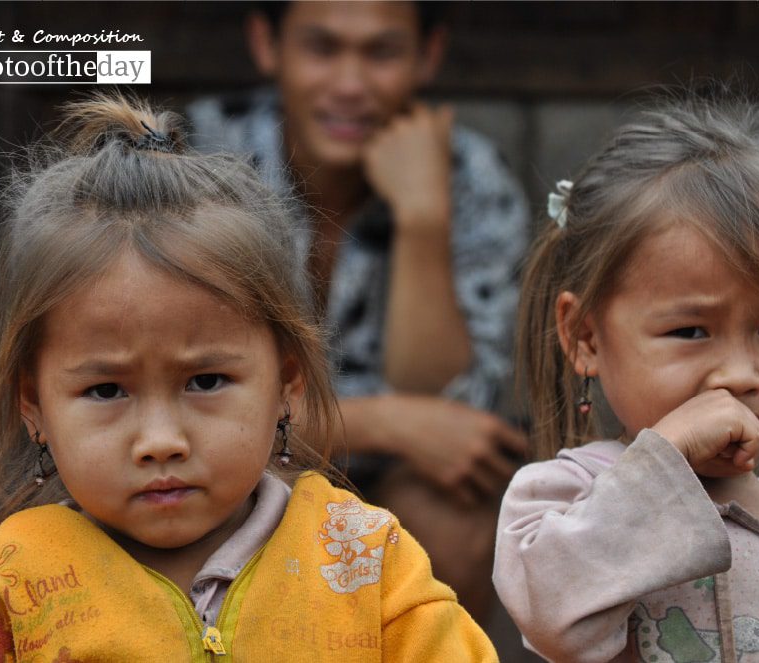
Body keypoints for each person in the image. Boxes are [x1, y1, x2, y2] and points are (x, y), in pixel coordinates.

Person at [0, 94, 497, 662]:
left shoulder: (363, 559)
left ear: (287, 384)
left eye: (206, 382)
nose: (162, 441)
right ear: (34, 407)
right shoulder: (12, 582)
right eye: (105, 390)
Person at [493, 89, 759, 662]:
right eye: (690, 332)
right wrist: (668, 456)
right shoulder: (564, 501)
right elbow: (554, 616)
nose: (738, 374)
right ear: (584, 337)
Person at [188, 1, 529, 619]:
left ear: (428, 55)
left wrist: (423, 219)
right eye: (322, 48)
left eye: (381, 53)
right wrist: (384, 422)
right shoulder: (197, 166)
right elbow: (190, 407)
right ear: (268, 45)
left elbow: (454, 411)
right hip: (224, 476)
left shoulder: (470, 176)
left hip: (392, 485)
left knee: (451, 519)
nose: (349, 85)